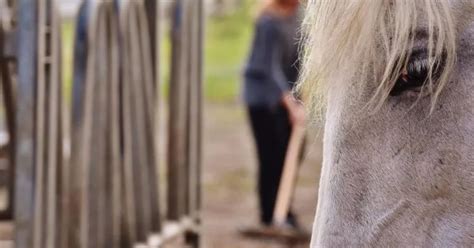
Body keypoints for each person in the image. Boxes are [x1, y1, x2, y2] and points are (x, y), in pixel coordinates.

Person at [243, 0, 305, 230]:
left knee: (292, 153)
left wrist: (300, 97)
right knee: (271, 156)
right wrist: (291, 105)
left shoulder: (300, 17)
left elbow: (301, 60)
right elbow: (269, 69)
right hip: (262, 98)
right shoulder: (268, 22)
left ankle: (284, 210)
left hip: (288, 97)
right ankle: (270, 215)